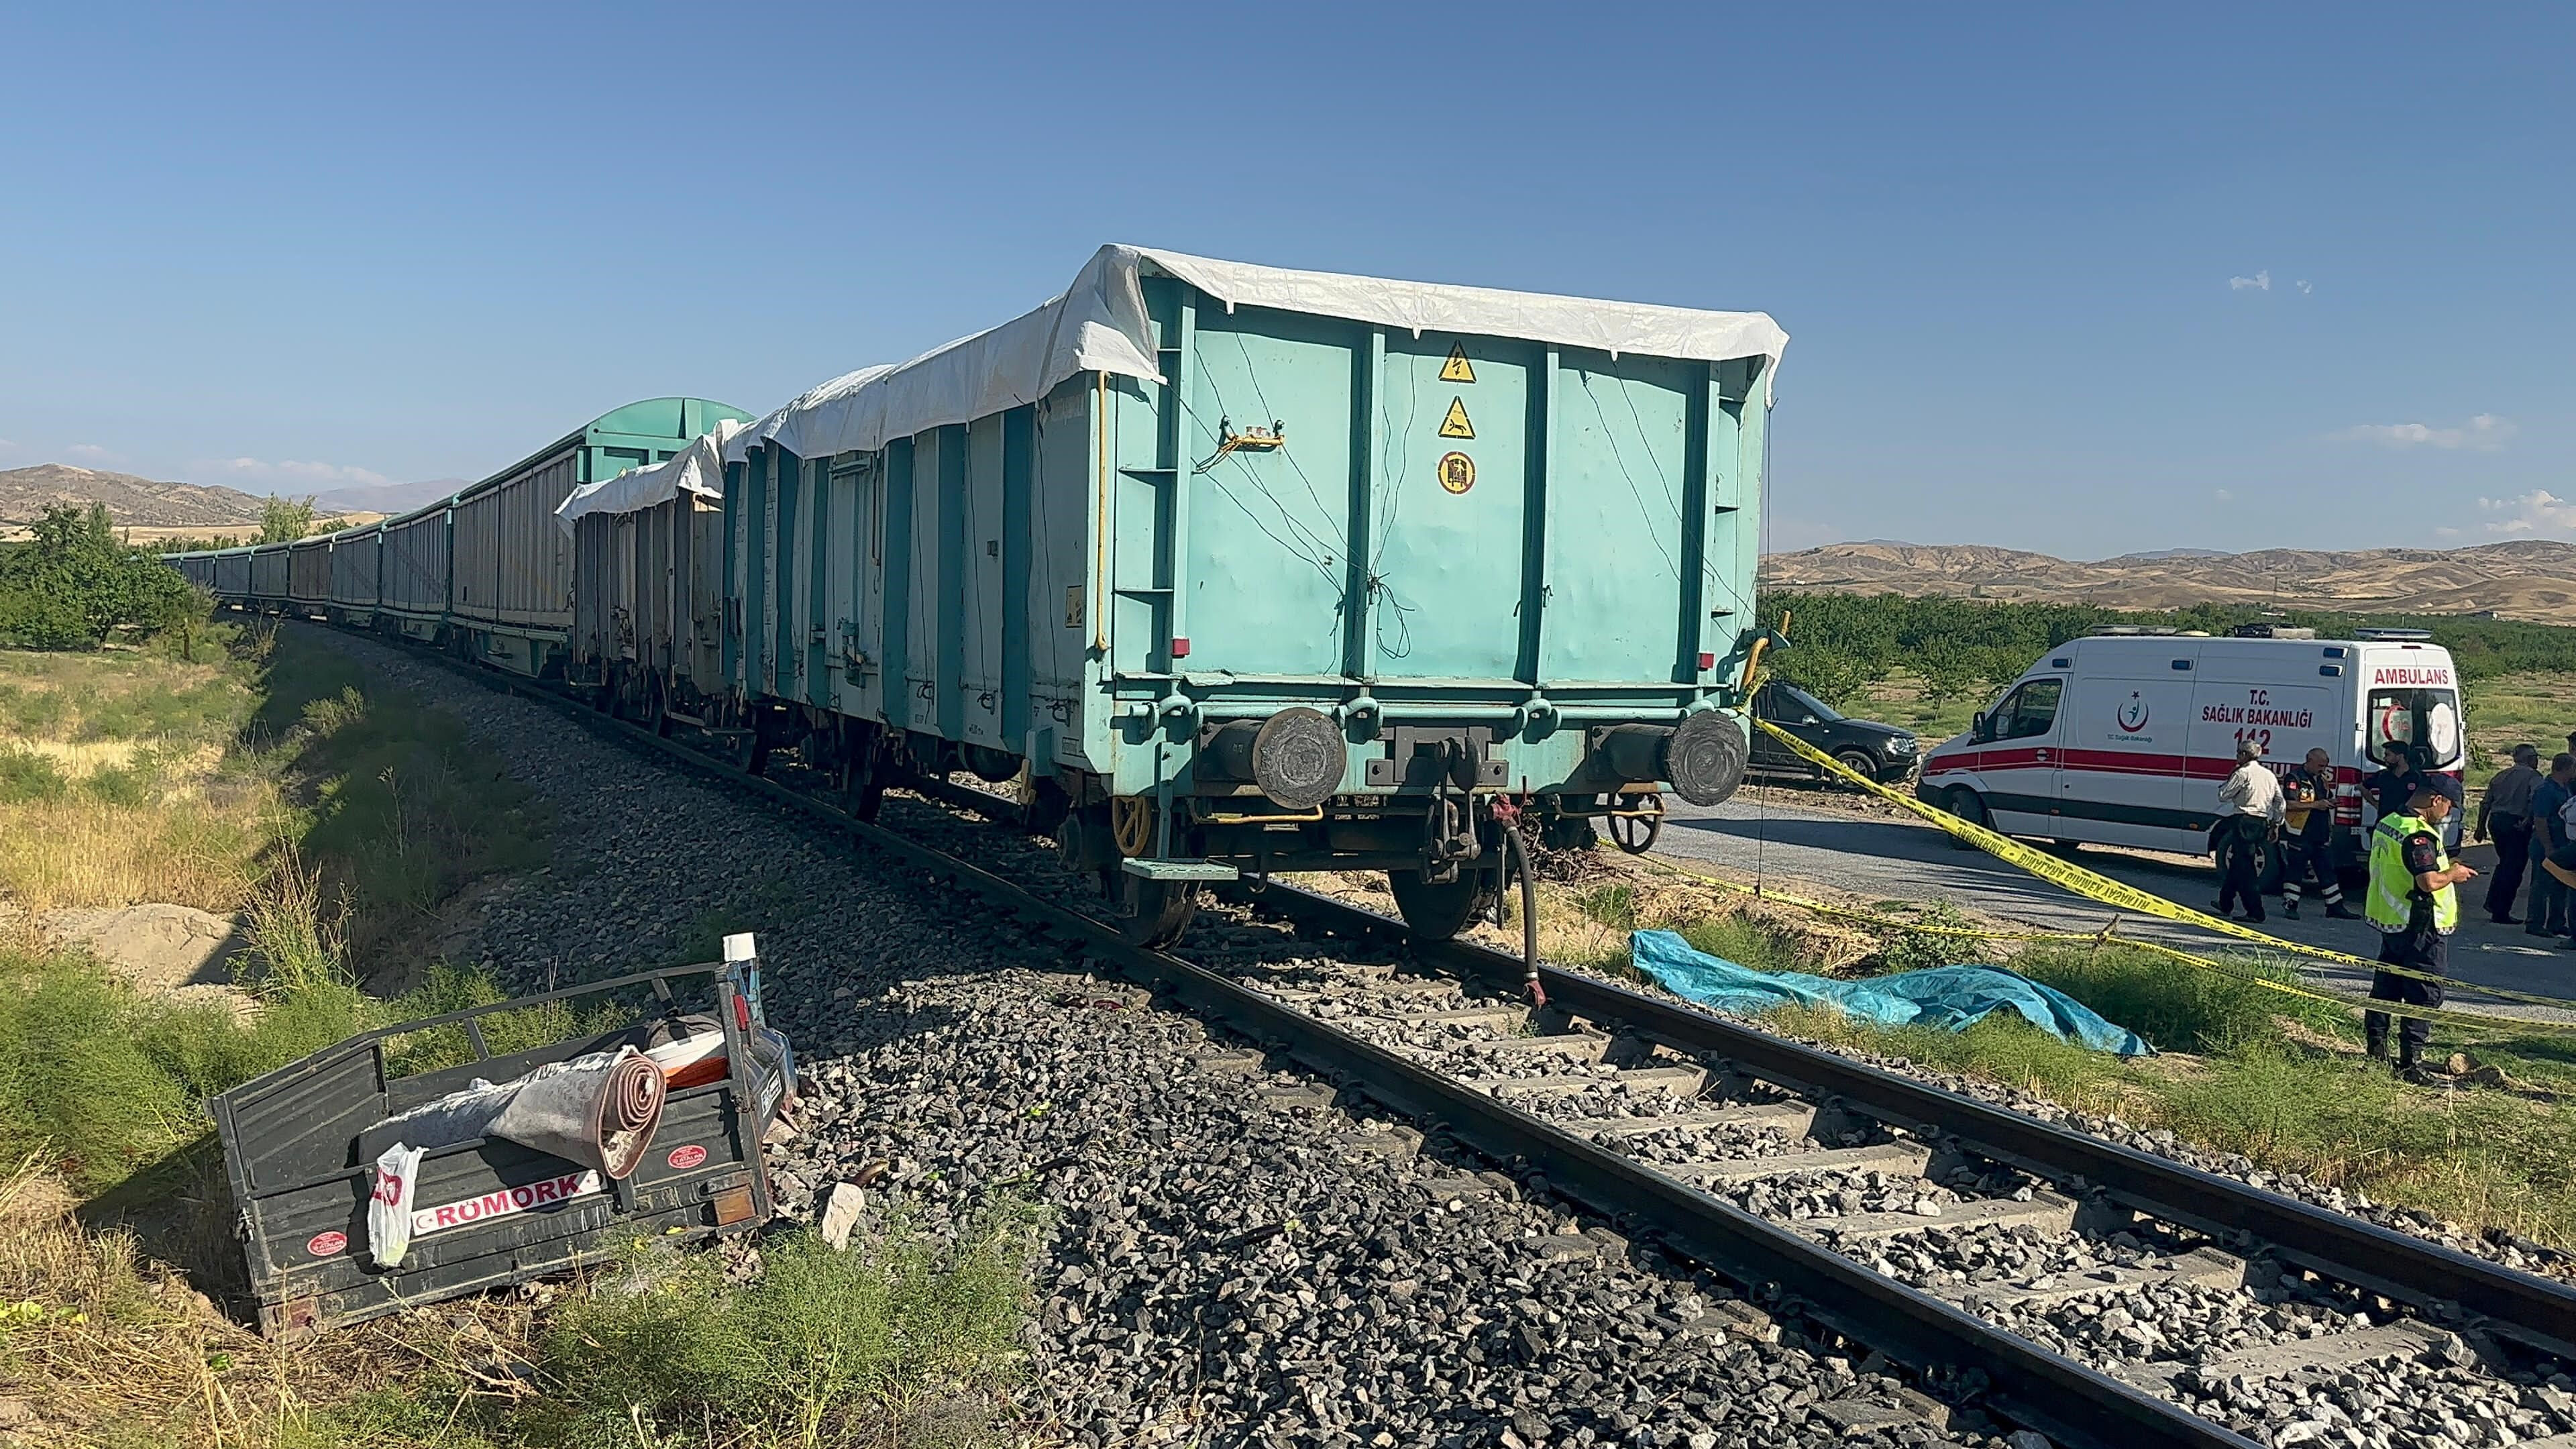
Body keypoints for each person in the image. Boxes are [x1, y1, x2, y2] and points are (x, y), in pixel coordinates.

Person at [2363, 777, 2475, 1081]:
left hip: (2393, 920)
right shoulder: (2419, 837)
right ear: (2435, 800)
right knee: (2424, 994)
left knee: (2386, 990)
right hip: (2421, 925)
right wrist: (2453, 873)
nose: (2449, 813)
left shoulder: (2390, 822)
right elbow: (2428, 882)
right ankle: (2411, 1064)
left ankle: (2377, 1053)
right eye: (2449, 805)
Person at [2212, 739, 2283, 922]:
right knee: (2237, 863)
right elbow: (2280, 802)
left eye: (2238, 753)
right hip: (2262, 822)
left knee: (2246, 869)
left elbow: (2223, 795)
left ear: (2244, 755)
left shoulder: (2243, 773)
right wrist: (2276, 824)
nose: (2236, 757)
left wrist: (2231, 778)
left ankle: (2255, 911)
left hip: (2244, 820)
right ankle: (2225, 902)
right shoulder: (2268, 775)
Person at [2280, 747, 2355, 919]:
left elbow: (2323, 801)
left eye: (2325, 766)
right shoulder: (2295, 778)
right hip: (2301, 833)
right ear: (2309, 760)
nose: (2323, 769)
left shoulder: (2322, 780)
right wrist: (2316, 805)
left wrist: (2330, 803)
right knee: (2295, 871)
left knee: (2327, 871)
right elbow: (2290, 804)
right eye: (2320, 765)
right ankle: (2290, 906)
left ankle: (2335, 907)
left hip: (2320, 833)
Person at [2476, 744, 2544, 924]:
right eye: (2535, 757)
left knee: (2505, 863)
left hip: (2496, 821)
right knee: (2513, 868)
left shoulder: (2501, 775)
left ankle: (2493, 903)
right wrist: (2529, 820)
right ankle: (2501, 910)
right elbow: (2535, 799)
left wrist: (2480, 827)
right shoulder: (2533, 776)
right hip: (2516, 823)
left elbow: (2485, 803)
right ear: (2530, 759)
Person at [2531, 755, 2576, 941]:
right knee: (2541, 885)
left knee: (2561, 884)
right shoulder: (2546, 790)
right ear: (2567, 768)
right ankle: (2535, 923)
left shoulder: (2565, 789)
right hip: (2546, 844)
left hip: (2561, 844)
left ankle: (2556, 923)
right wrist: (2548, 847)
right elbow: (2540, 821)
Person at [2364, 741, 2427, 822]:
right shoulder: (2383, 775)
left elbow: (2427, 795)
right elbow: (2362, 786)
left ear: (2400, 756)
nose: (2384, 758)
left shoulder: (2417, 777)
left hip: (2407, 823)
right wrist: (2375, 803)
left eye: (2388, 755)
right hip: (2384, 823)